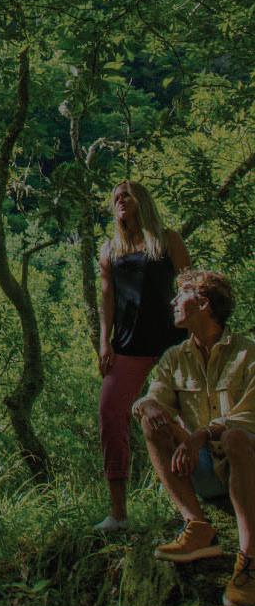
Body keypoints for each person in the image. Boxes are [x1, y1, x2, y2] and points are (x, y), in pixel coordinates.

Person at [133, 269, 255, 606]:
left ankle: (249, 563)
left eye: (182, 293)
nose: (173, 301)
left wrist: (200, 435)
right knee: (151, 421)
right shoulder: (174, 357)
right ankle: (198, 527)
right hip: (205, 470)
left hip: (245, 463)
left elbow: (250, 417)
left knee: (233, 436)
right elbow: (151, 397)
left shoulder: (248, 353)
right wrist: (147, 405)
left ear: (203, 304)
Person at [95, 181, 190, 531]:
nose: (120, 200)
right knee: (109, 413)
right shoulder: (110, 250)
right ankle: (118, 514)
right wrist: (105, 343)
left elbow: (189, 286)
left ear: (142, 201)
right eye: (116, 197)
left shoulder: (168, 240)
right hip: (128, 345)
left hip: (172, 344)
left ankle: (192, 510)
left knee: (185, 420)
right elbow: (107, 299)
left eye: (127, 195)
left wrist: (199, 337)